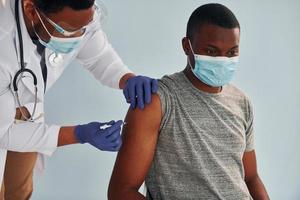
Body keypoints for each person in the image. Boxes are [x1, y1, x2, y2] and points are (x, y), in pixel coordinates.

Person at [108, 3, 270, 200]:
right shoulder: (157, 102)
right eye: (211, 52)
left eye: (231, 53)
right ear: (187, 46)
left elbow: (251, 177)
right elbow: (122, 192)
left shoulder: (241, 102)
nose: (222, 60)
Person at [0, 0, 158, 199]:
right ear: (31, 10)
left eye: (85, 26)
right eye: (68, 30)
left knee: (19, 190)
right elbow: (4, 133)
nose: (79, 37)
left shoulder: (77, 13)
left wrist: (127, 79)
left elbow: (98, 55)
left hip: (25, 108)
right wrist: (79, 134)